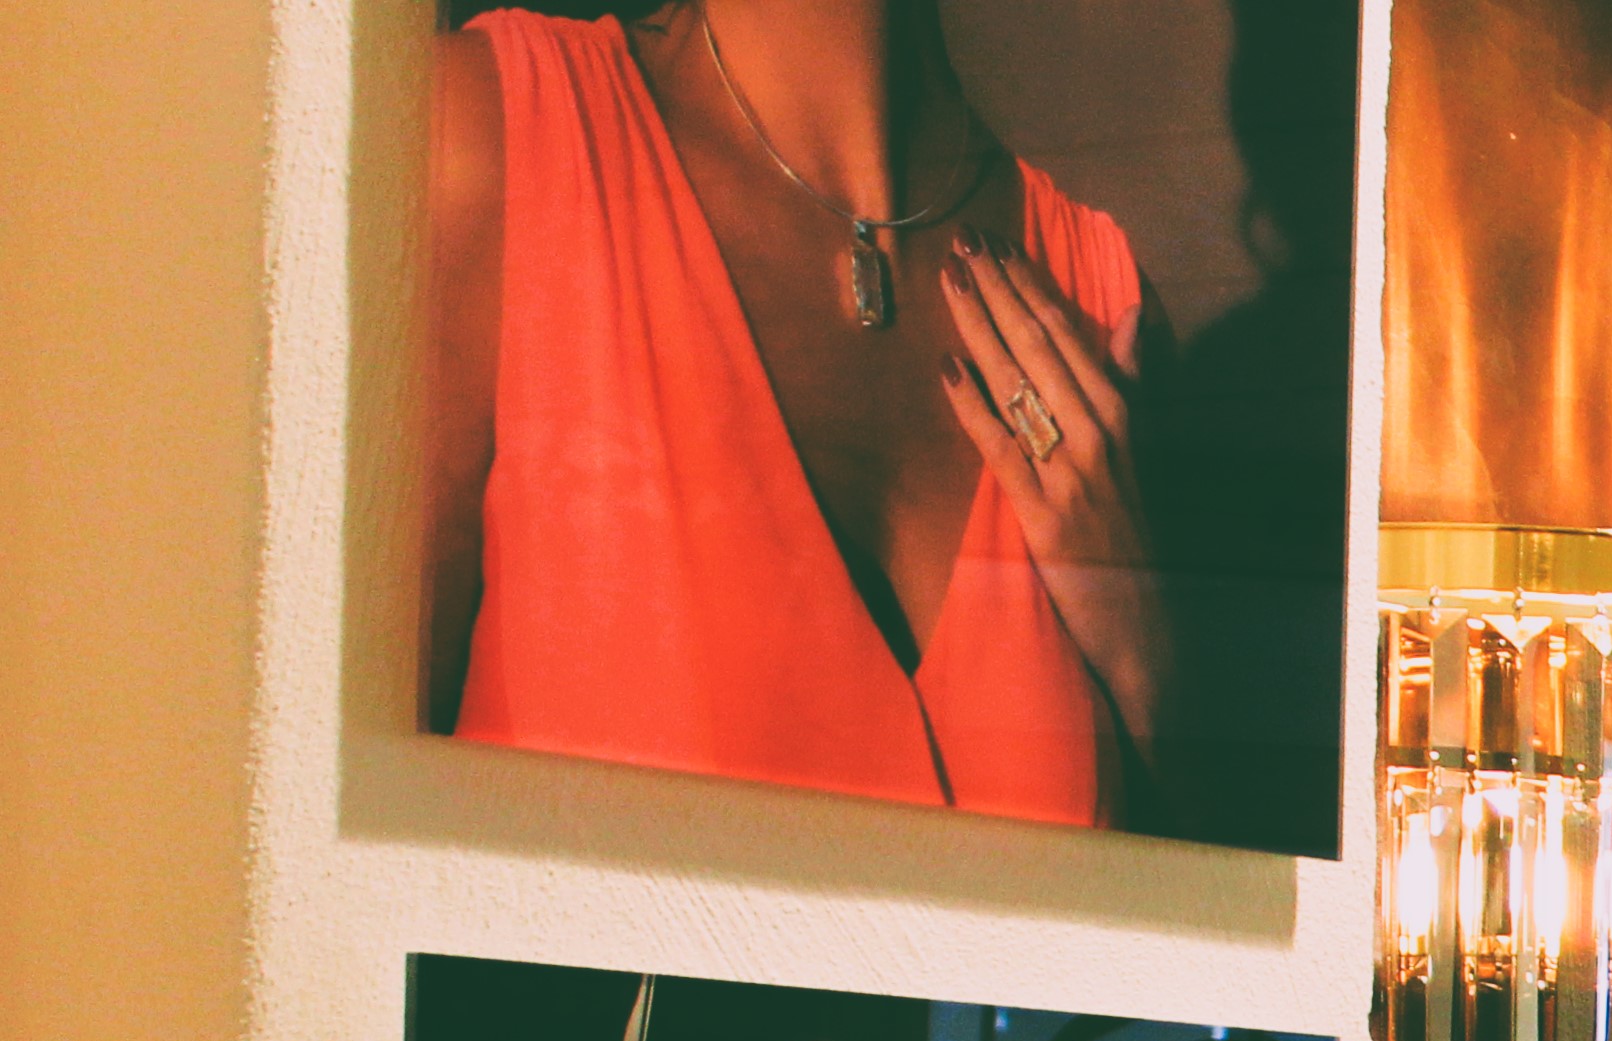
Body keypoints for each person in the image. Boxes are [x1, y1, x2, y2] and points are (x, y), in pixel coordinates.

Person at [426, 0, 1168, 826]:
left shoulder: (1100, 304)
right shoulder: (495, 138)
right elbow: (336, 835)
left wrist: (1151, 672)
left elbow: (1183, 877)